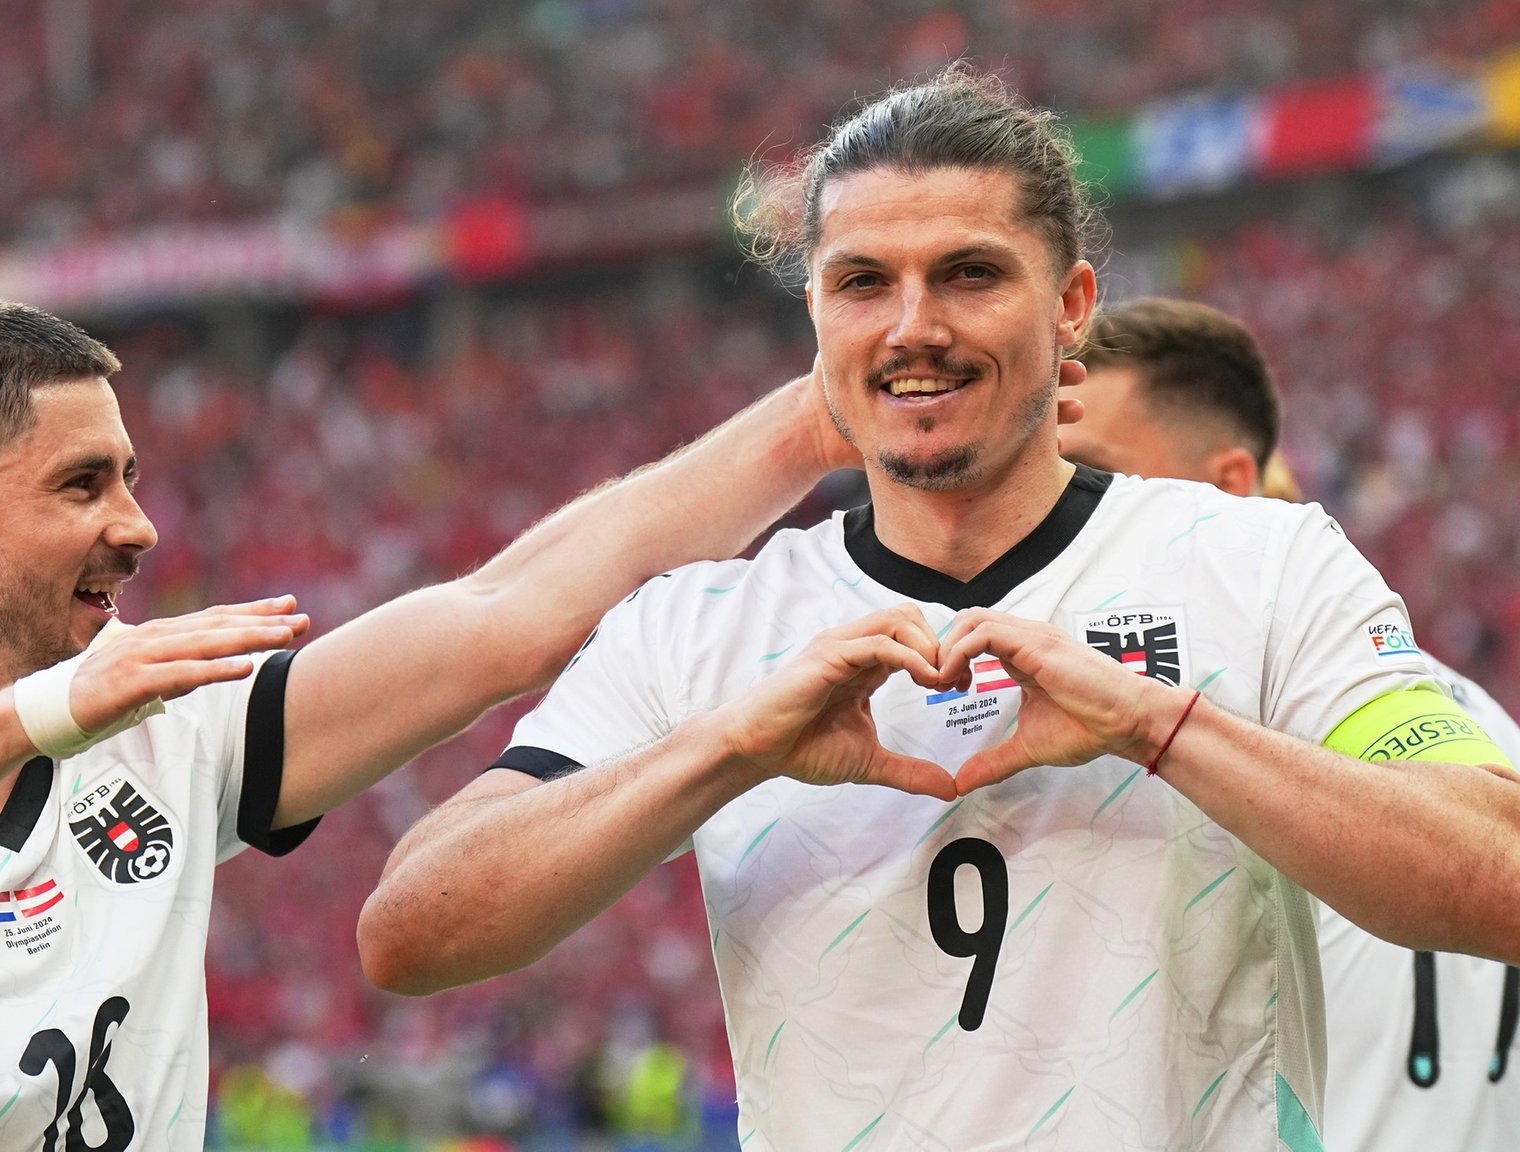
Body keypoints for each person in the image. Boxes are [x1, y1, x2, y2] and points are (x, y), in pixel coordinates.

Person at [356, 68, 1520, 1151]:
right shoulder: (696, 626)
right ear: (813, 318)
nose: (912, 325)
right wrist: (729, 746)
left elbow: (1500, 874)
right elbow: (411, 929)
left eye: (968, 272)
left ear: (1069, 305)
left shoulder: (1258, 564)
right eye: (862, 282)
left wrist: (1160, 729)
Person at [0, 296, 889, 1151]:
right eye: (80, 484)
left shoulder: (165, 731)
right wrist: (42, 713)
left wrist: (811, 424)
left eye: (133, 477)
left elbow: (511, 615)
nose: (139, 524)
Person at [1058, 295, 1520, 1152]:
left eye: (1089, 474)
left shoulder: (1204, 757)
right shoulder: (1482, 735)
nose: (1058, 514)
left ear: (1232, 488)